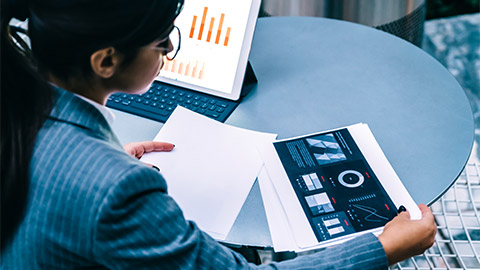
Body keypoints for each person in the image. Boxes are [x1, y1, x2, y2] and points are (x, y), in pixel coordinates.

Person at [0, 0, 436, 268]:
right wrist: (383, 249)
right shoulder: (116, 188)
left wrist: (101, 158)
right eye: (161, 42)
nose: (169, 52)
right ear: (105, 61)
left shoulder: (21, 106)